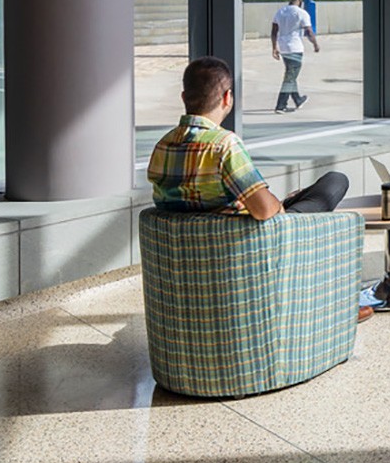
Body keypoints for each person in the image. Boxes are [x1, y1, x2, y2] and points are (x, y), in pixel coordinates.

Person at [148, 58, 368, 320]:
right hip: (247, 247)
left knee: (302, 195)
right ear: (227, 97)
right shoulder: (224, 145)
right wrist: (279, 204)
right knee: (335, 181)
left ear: (184, 96)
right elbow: (265, 211)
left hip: (192, 256)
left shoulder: (163, 145)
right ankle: (337, 306)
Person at [271, 0, 320, 112]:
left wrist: (274, 47)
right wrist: (315, 44)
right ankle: (281, 105)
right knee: (290, 77)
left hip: (283, 48)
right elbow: (309, 31)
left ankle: (298, 99)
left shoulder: (280, 12)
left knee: (291, 74)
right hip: (295, 48)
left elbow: (274, 31)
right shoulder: (301, 13)